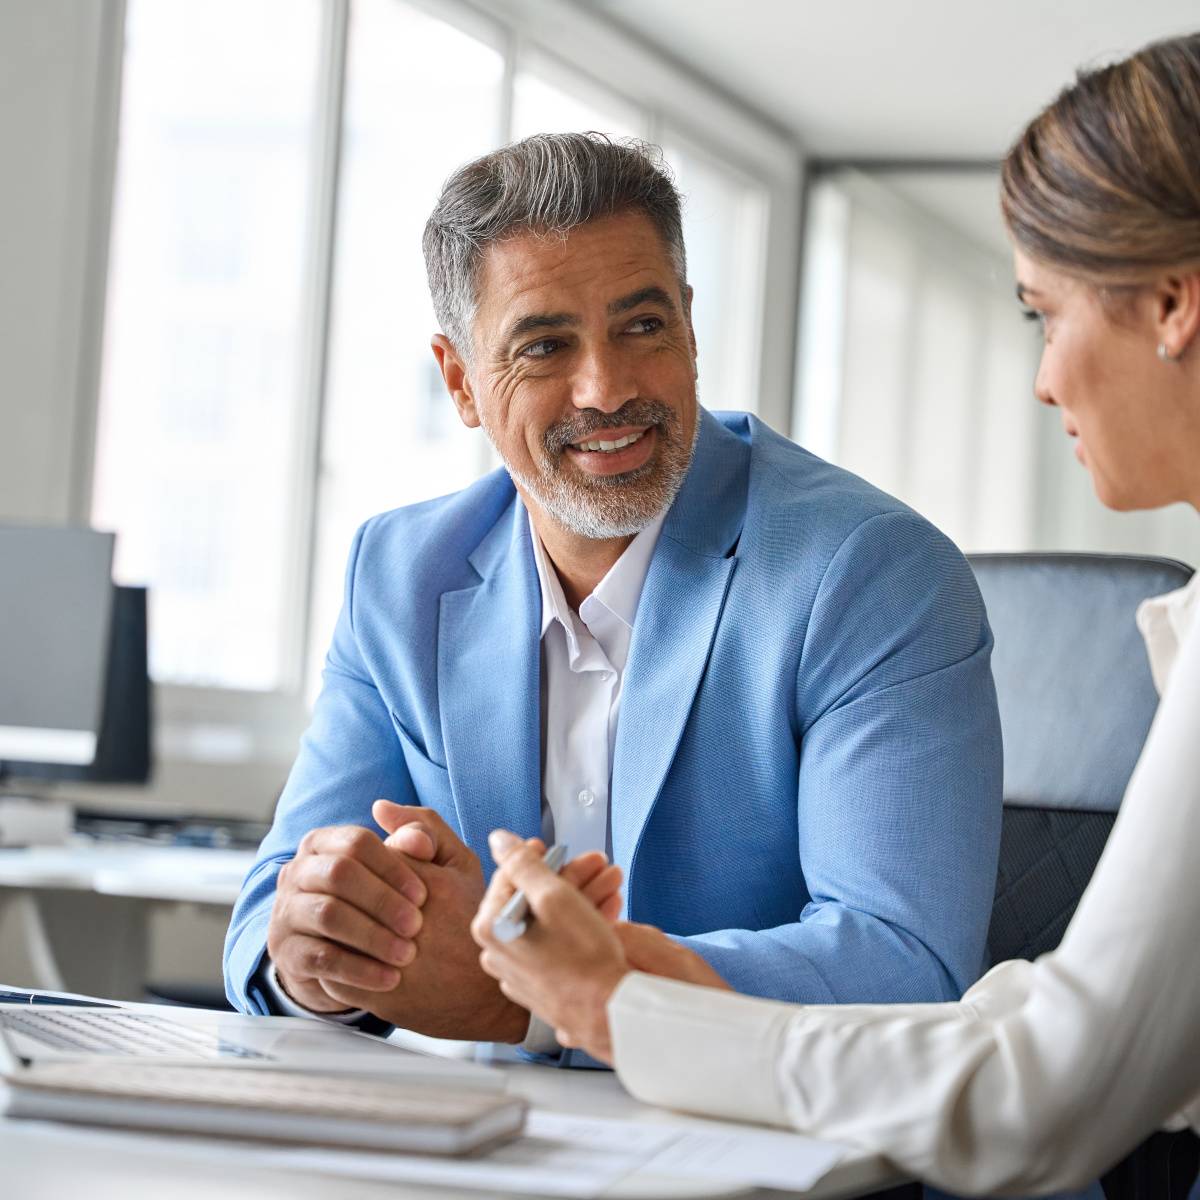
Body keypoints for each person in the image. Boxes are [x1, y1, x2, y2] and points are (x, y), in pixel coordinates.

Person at [471, 32, 1200, 1195]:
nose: (1045, 377)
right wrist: (647, 976)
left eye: (1042, 315)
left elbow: (1048, 1085)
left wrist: (621, 1010)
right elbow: (1054, 1017)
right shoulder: (408, 561)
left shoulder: (863, 567)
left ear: (1171, 302)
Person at [223, 132, 1003, 1057]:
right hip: (497, 1147)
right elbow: (266, 925)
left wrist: (549, 1000)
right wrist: (323, 953)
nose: (607, 388)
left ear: (690, 325)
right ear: (461, 381)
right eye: (545, 345)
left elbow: (906, 965)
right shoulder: (399, 575)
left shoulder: (869, 572)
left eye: (642, 326)